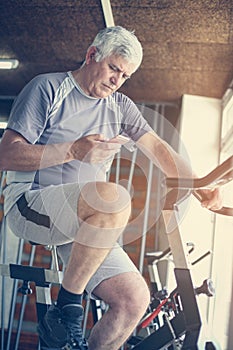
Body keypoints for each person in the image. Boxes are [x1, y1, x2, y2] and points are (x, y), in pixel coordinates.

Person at [0, 26, 222, 350]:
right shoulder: (47, 89)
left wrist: (200, 187)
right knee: (114, 197)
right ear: (92, 55)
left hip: (85, 222)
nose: (118, 79)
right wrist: (73, 150)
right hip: (29, 207)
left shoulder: (119, 107)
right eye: (114, 68)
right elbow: (6, 154)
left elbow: (159, 149)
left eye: (125, 75)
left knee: (135, 298)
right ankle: (67, 310)